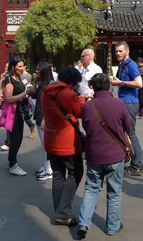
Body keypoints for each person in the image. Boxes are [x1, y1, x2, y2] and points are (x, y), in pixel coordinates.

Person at [77, 73, 131, 238]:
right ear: (109, 85)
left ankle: (83, 223)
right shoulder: (119, 103)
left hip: (94, 153)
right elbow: (128, 126)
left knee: (91, 188)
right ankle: (112, 226)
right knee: (114, 191)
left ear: (93, 87)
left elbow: (86, 127)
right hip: (115, 154)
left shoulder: (88, 106)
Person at [41, 66, 84, 226]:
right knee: (76, 172)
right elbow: (79, 112)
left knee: (58, 175)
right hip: (67, 142)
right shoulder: (69, 94)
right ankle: (63, 211)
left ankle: (59, 210)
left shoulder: (46, 92)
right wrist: (82, 100)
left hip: (51, 139)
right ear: (73, 82)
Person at [110, 41, 143, 177]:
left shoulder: (131, 65)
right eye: (117, 51)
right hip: (124, 102)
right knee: (126, 133)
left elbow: (139, 83)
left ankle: (137, 165)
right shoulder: (122, 65)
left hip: (130, 104)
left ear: (127, 52)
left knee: (131, 134)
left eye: (120, 51)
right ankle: (131, 161)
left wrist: (121, 82)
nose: (118, 53)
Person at [4, 56, 34, 175]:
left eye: (23, 66)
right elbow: (9, 98)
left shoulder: (18, 77)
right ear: (13, 66)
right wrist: (25, 93)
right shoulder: (10, 80)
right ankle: (13, 164)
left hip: (20, 111)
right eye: (19, 66)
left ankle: (12, 160)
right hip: (14, 113)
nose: (22, 68)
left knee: (19, 137)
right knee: (15, 139)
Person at [32, 62, 54, 181]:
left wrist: (45, 119)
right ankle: (46, 166)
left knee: (47, 145)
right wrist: (35, 82)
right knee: (44, 145)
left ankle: (49, 170)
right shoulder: (42, 84)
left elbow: (50, 105)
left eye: (38, 70)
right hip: (39, 116)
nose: (36, 72)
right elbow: (34, 96)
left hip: (44, 119)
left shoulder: (50, 86)